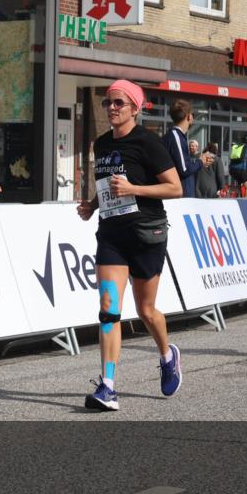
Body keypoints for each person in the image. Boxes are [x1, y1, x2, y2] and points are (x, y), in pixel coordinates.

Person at [76, 80, 182, 411]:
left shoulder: (149, 143)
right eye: (108, 102)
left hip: (146, 235)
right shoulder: (102, 143)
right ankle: (107, 386)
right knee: (109, 309)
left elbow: (175, 188)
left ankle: (167, 355)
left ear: (135, 108)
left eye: (118, 103)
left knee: (146, 310)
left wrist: (135, 188)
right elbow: (109, 185)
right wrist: (92, 205)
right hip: (112, 235)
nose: (111, 108)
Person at [164, 99, 201, 198]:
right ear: (189, 117)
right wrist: (200, 162)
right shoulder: (176, 137)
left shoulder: (175, 136)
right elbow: (184, 169)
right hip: (181, 198)